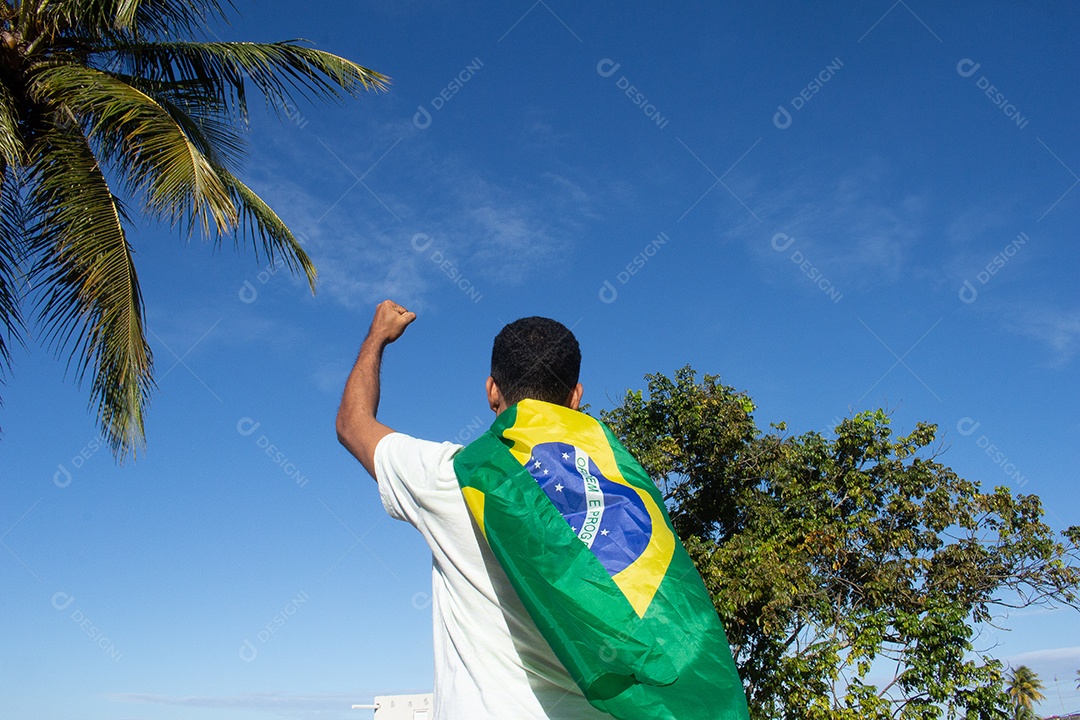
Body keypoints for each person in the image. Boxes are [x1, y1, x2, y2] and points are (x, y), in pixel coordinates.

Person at [336, 299, 609, 719]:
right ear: (575, 398)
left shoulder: (454, 478)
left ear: (492, 390)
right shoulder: (619, 501)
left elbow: (353, 424)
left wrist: (377, 339)